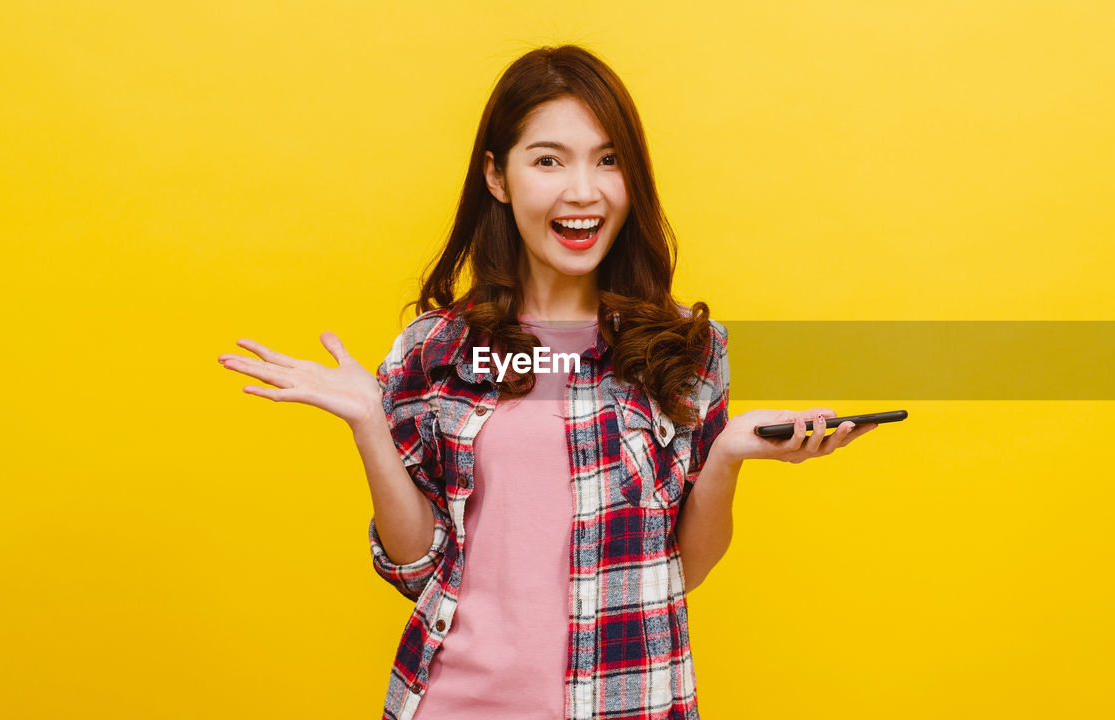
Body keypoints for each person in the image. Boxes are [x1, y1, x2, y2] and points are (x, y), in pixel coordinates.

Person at [217, 44, 878, 720]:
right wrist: (369, 427)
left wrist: (730, 453)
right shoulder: (438, 350)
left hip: (626, 703)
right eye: (548, 160)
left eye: (608, 159)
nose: (584, 191)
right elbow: (418, 566)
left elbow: (683, 569)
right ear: (497, 177)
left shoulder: (684, 348)